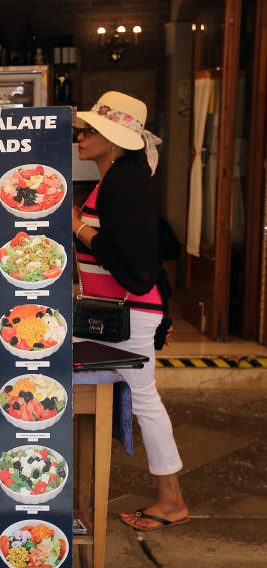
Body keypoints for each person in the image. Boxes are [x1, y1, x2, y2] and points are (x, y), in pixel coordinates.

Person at [73, 91, 188, 531]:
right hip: (128, 313)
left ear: (115, 139)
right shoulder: (120, 179)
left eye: (90, 131)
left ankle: (171, 500)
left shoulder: (123, 183)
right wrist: (166, 314)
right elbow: (149, 258)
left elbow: (135, 266)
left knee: (145, 400)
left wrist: (78, 227)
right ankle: (164, 496)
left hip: (127, 313)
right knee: (142, 398)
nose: (80, 137)